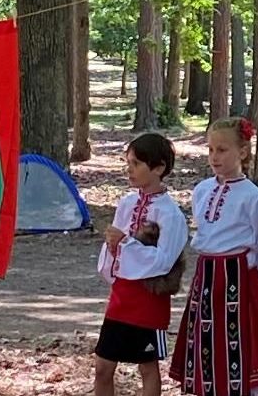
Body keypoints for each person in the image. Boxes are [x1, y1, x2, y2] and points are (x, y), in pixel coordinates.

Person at [170, 117, 258, 396]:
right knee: (207, 342)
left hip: (238, 280)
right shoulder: (202, 191)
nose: (214, 156)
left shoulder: (254, 197)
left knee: (239, 344)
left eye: (222, 150)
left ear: (242, 152)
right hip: (207, 277)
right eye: (210, 150)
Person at [95, 133, 189, 396]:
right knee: (103, 366)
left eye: (136, 163)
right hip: (122, 295)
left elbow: (164, 260)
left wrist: (125, 243)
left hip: (149, 298)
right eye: (128, 163)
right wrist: (113, 247)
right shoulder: (127, 203)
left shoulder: (170, 214)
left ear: (158, 168)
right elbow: (115, 248)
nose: (130, 169)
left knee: (147, 366)